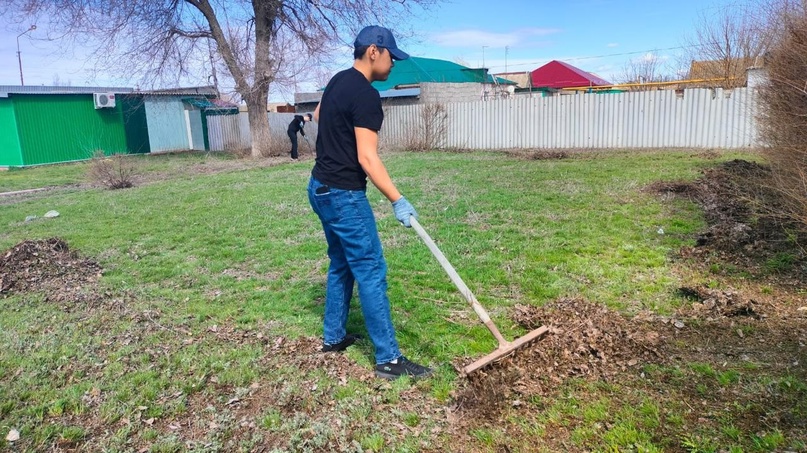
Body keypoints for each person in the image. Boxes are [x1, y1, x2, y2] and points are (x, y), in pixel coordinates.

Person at [307, 25, 433, 380]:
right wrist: (398, 199)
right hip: (343, 194)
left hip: (319, 187)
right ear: (374, 51)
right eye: (392, 56)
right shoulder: (365, 95)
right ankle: (388, 359)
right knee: (371, 269)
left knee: (341, 263)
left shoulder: (337, 80)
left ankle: (333, 337)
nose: (394, 64)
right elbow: (368, 158)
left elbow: (319, 115)